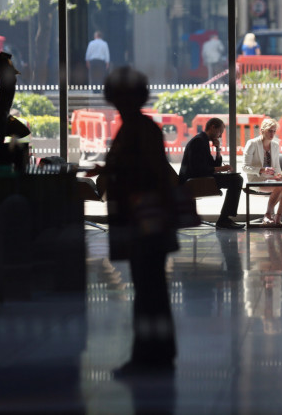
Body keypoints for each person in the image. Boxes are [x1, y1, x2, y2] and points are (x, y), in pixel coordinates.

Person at [89, 66, 179, 374]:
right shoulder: (139, 128)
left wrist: (114, 170)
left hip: (145, 222)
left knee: (148, 288)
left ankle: (149, 355)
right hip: (145, 220)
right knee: (149, 288)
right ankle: (156, 353)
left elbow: (149, 174)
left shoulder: (136, 130)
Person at [179, 117, 245, 229]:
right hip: (195, 181)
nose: (220, 136)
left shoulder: (202, 140)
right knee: (236, 180)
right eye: (220, 132)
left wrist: (218, 149)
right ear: (212, 127)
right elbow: (199, 169)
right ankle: (224, 220)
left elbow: (213, 165)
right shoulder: (199, 141)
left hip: (199, 178)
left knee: (235, 178)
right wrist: (221, 169)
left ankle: (225, 219)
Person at [242, 118, 282, 226]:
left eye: (274, 131)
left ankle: (278, 217)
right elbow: (245, 167)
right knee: (280, 187)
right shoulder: (252, 143)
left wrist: (281, 176)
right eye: (270, 131)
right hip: (257, 179)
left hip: (271, 179)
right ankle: (267, 215)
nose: (272, 134)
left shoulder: (275, 145)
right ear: (262, 131)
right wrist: (261, 170)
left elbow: (276, 167)